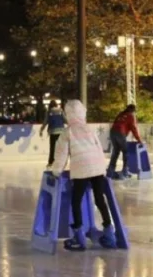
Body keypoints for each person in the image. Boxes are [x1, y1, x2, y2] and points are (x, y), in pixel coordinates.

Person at [50, 100, 118, 250]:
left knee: (76, 199)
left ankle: (79, 235)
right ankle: (109, 232)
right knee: (100, 198)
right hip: (97, 167)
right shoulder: (89, 129)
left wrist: (56, 171)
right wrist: (103, 168)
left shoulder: (68, 132)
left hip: (81, 168)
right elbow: (99, 148)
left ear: (67, 115)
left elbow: (61, 155)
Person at [107, 104, 143, 179]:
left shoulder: (121, 114)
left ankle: (110, 170)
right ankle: (125, 170)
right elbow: (133, 128)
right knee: (125, 151)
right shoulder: (130, 116)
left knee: (116, 151)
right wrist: (139, 139)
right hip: (120, 132)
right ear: (133, 110)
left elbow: (115, 123)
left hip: (112, 132)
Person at [39, 100, 66, 169]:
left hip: (53, 132)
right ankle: (61, 162)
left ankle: (51, 162)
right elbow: (65, 119)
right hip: (61, 132)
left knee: (52, 148)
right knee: (61, 148)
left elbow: (45, 121)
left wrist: (41, 129)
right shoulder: (60, 110)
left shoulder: (49, 112)